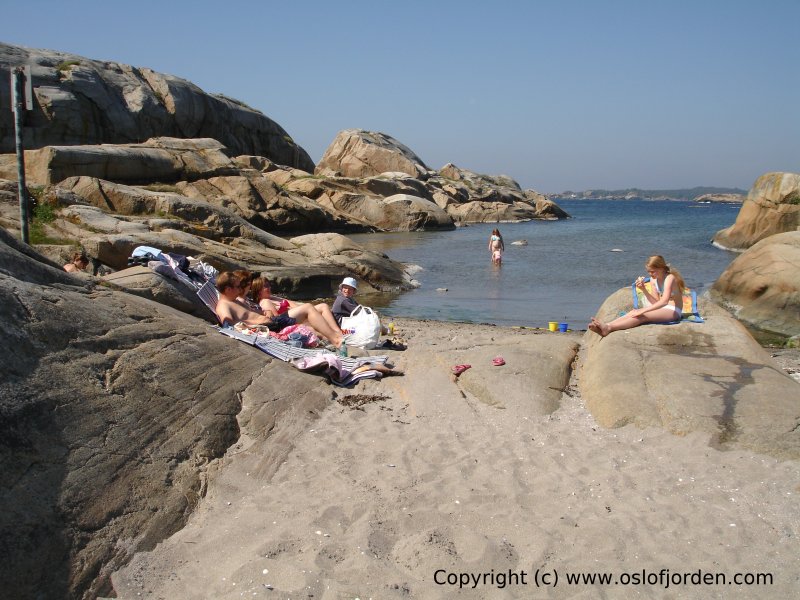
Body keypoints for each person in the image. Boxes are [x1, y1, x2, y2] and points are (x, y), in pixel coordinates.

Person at [215, 271, 343, 348]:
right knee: (308, 308)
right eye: (237, 287)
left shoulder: (234, 300)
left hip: (273, 321)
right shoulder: (224, 306)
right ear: (228, 289)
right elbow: (229, 326)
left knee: (309, 308)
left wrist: (264, 313)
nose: (240, 289)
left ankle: (336, 336)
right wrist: (254, 327)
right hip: (269, 327)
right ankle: (336, 339)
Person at [589, 255, 686, 337]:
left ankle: (609, 328)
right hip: (663, 309)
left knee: (642, 315)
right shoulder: (653, 280)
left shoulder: (669, 278)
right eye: (648, 271)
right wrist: (643, 289)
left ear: (661, 268)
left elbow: (664, 301)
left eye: (652, 271)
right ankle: (607, 325)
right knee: (634, 312)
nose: (650, 274)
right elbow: (655, 302)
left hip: (674, 311)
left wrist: (643, 310)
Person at [248, 275, 341, 334]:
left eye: (269, 285)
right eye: (265, 286)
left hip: (297, 315)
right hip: (290, 321)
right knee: (320, 310)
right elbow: (277, 319)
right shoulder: (265, 302)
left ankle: (337, 331)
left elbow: (291, 303)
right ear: (258, 290)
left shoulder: (273, 298)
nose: (269, 287)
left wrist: (304, 311)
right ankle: (336, 333)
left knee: (323, 306)